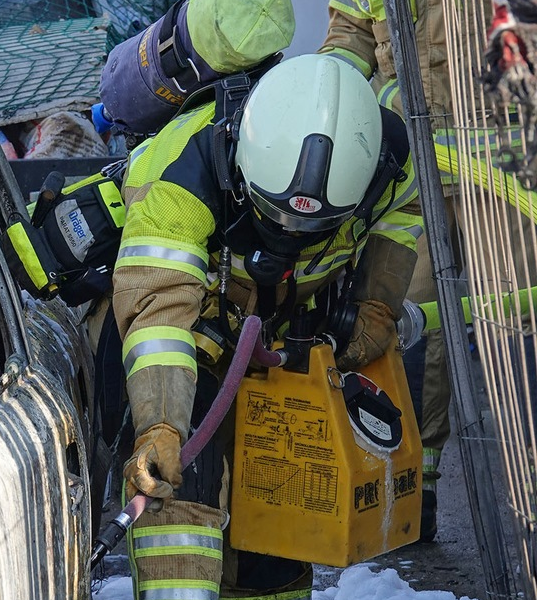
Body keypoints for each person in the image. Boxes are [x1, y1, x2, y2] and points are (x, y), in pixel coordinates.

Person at [111, 53, 421, 600]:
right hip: (186, 343)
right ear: (241, 158)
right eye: (275, 214)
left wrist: (377, 302)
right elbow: (159, 315)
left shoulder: (389, 163)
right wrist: (160, 424)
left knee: (283, 507)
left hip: (281, 342)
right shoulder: (181, 173)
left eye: (313, 225)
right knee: (181, 492)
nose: (291, 232)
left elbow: (399, 218)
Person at [317, 0, 459, 543]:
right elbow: (351, 32)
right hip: (413, 171)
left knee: (516, 330)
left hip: (506, 171)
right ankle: (415, 489)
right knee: (407, 327)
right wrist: (325, 93)